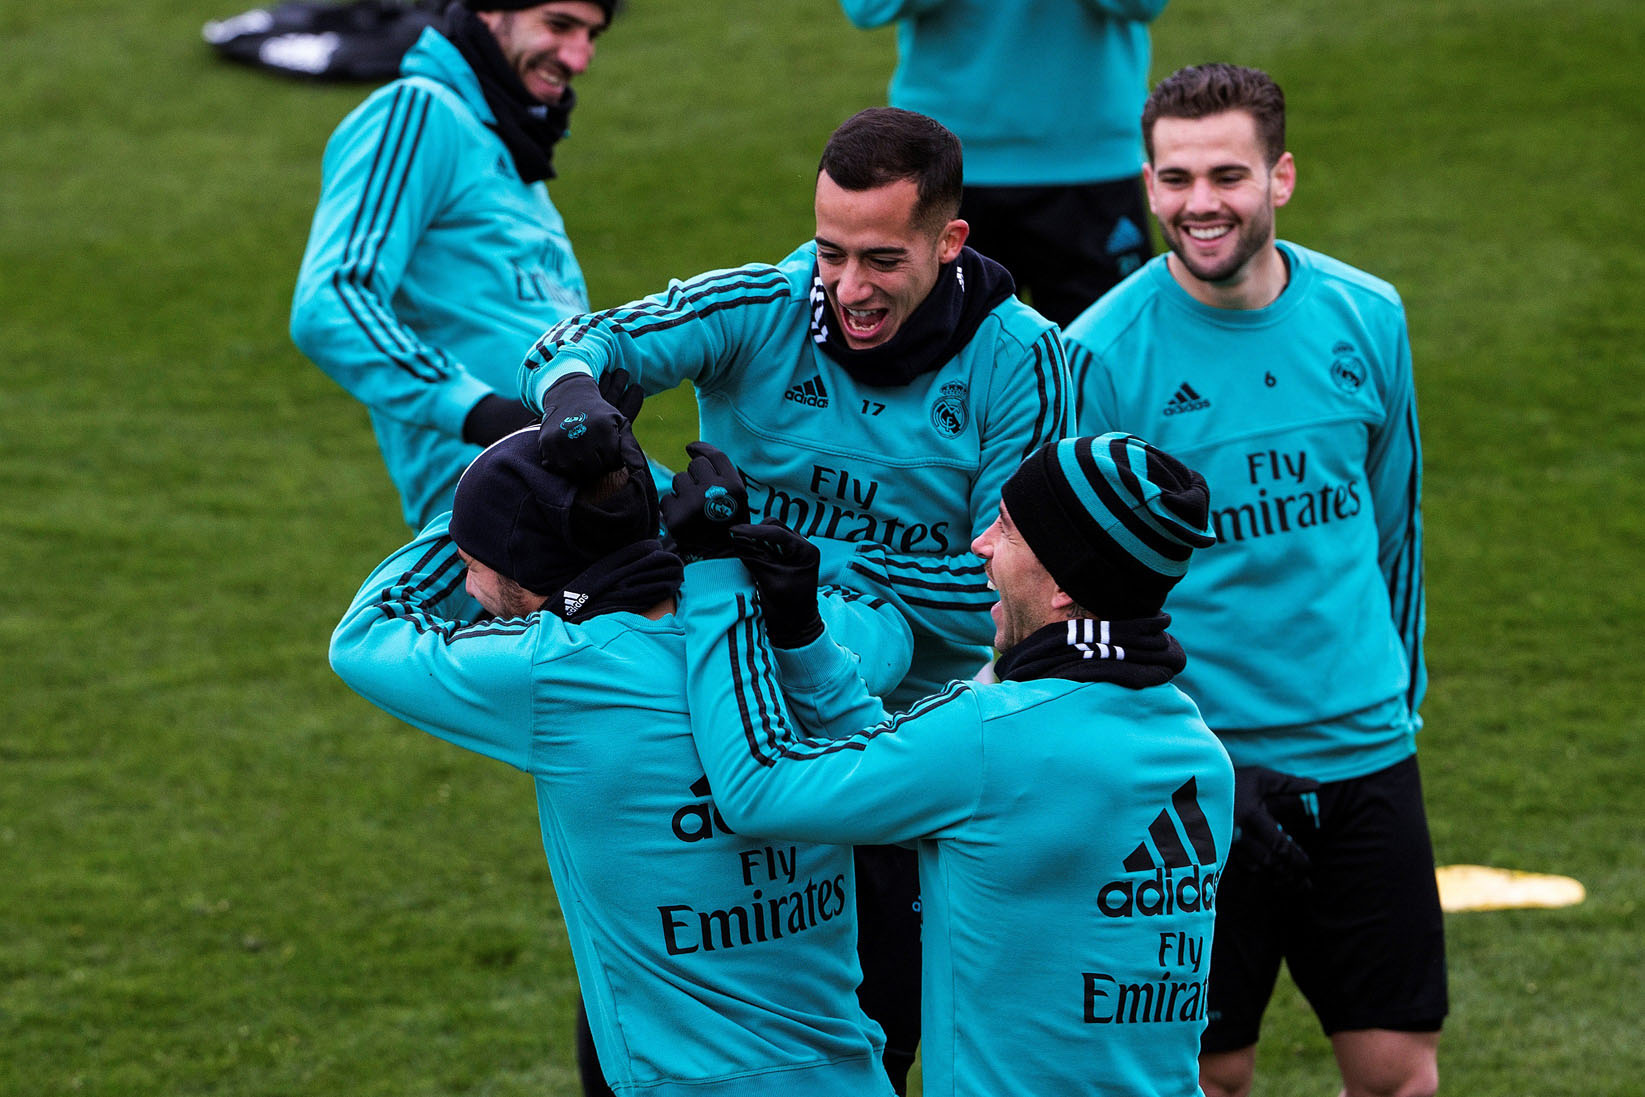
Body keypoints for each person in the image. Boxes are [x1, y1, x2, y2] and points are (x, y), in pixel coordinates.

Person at [519, 105, 1072, 1091]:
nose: (847, 288)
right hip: (716, 736)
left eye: (881, 259)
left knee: (866, 1049)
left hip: (889, 764)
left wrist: (799, 572)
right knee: (645, 1039)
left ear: (948, 241)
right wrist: (574, 398)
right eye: (830, 252)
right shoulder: (763, 304)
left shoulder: (1025, 361)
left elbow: (1008, 587)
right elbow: (581, 342)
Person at [1061, 63, 1445, 1097]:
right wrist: (1160, 759)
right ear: (1146, 184)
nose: (1200, 203)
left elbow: (1393, 526)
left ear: (1280, 177)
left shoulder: (1368, 316)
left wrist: (1393, 702)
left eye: (1226, 175)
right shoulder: (1099, 356)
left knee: (1398, 1071)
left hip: (1364, 756)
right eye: (1175, 178)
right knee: (1206, 1073)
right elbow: (1080, 593)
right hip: (1198, 777)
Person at [328, 425, 904, 1097]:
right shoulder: (800, 625)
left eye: (470, 560)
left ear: (526, 563)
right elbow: (886, 635)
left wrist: (495, 470)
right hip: (851, 1074)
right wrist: (613, 482)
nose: (465, 580)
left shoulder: (551, 672)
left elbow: (366, 636)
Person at [664, 434, 1232, 1097]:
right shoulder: (1198, 753)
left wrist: (711, 574)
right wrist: (802, 635)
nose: (980, 545)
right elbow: (930, 785)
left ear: (1064, 584)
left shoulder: (992, 735)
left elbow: (760, 787)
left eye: (1008, 528)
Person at [291, 0, 615, 529]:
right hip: (502, 507)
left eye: (592, 35)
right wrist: (480, 411)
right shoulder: (418, 109)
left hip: (585, 495)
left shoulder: (523, 176)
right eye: (559, 25)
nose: (578, 58)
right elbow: (333, 299)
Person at [837, 0, 1165, 327]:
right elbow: (869, 7)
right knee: (938, 356)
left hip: (1090, 159)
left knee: (1103, 355)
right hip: (943, 165)